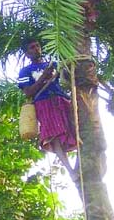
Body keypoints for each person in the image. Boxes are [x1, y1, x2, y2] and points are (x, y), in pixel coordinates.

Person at [18, 37, 79, 181]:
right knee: (54, 136)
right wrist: (44, 76)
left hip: (61, 99)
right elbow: (28, 92)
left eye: (37, 46)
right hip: (44, 103)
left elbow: (66, 78)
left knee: (74, 129)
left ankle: (79, 164)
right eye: (32, 47)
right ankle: (70, 170)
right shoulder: (25, 71)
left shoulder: (53, 64)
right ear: (27, 53)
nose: (36, 49)